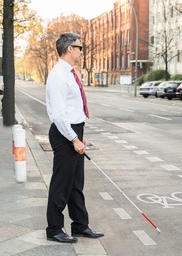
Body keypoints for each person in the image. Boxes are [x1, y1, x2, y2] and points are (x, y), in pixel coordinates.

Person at [45, 32, 104, 243]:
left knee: (76, 183)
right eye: (80, 47)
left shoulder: (70, 73)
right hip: (64, 134)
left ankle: (80, 225)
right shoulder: (58, 75)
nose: (81, 50)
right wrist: (73, 138)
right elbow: (59, 116)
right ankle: (54, 229)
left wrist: (80, 135)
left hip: (74, 131)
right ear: (70, 48)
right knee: (61, 184)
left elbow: (72, 109)